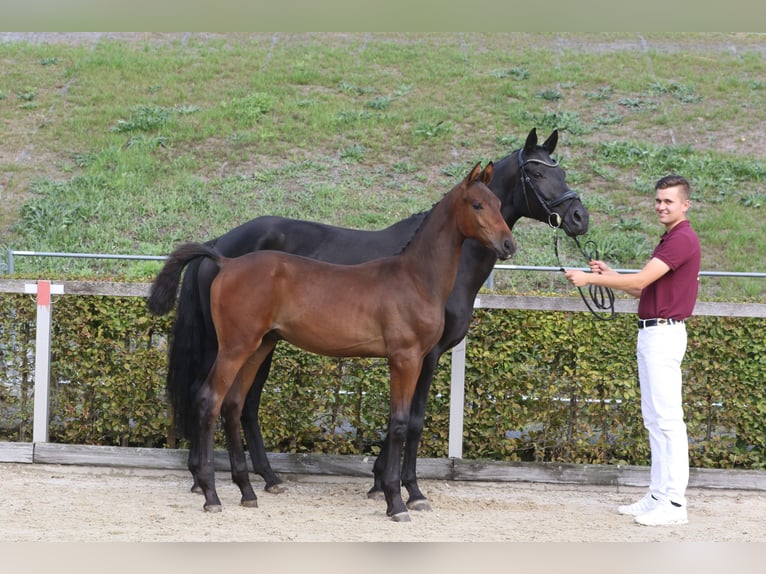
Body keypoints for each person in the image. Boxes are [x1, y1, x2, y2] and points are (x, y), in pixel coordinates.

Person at [564, 174, 701, 527]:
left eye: (668, 201)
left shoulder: (682, 239)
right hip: (653, 333)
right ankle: (658, 494)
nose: (661, 206)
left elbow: (640, 282)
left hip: (664, 335)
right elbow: (643, 290)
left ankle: (674, 503)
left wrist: (591, 278)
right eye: (658, 200)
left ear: (685, 205)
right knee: (655, 420)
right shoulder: (670, 239)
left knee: (668, 420)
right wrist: (612, 273)